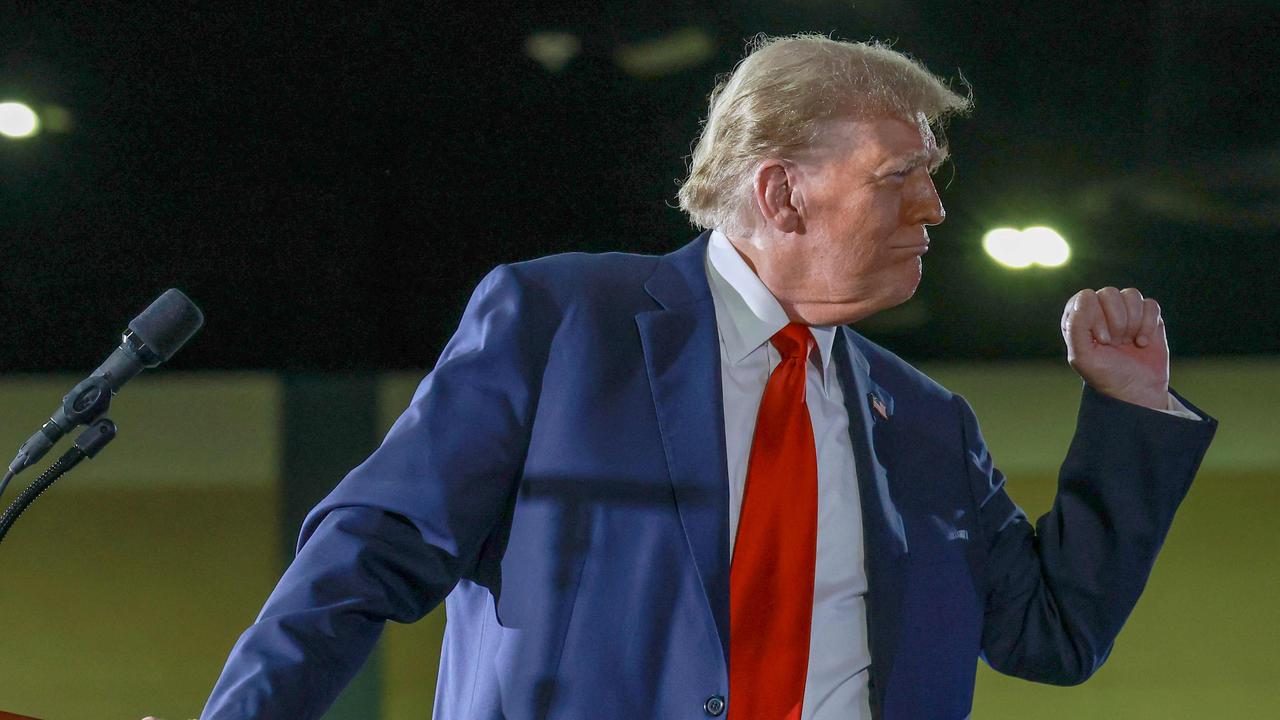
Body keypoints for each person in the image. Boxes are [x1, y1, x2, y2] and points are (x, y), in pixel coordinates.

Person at [191, 34, 1216, 720]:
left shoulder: (924, 423)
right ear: (781, 192)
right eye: (897, 179)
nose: (931, 211)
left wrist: (1128, 412)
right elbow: (368, 553)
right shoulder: (563, 323)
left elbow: (1050, 636)